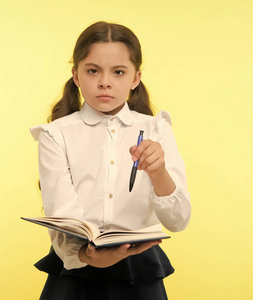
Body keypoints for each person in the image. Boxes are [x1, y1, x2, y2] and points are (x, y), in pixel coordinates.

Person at [30, 21, 191, 300]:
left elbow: (178, 221)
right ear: (76, 75)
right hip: (76, 267)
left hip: (140, 271)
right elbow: (62, 214)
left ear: (135, 78)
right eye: (93, 70)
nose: (105, 81)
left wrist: (159, 172)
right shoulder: (55, 134)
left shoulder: (157, 129)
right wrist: (87, 256)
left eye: (118, 72)